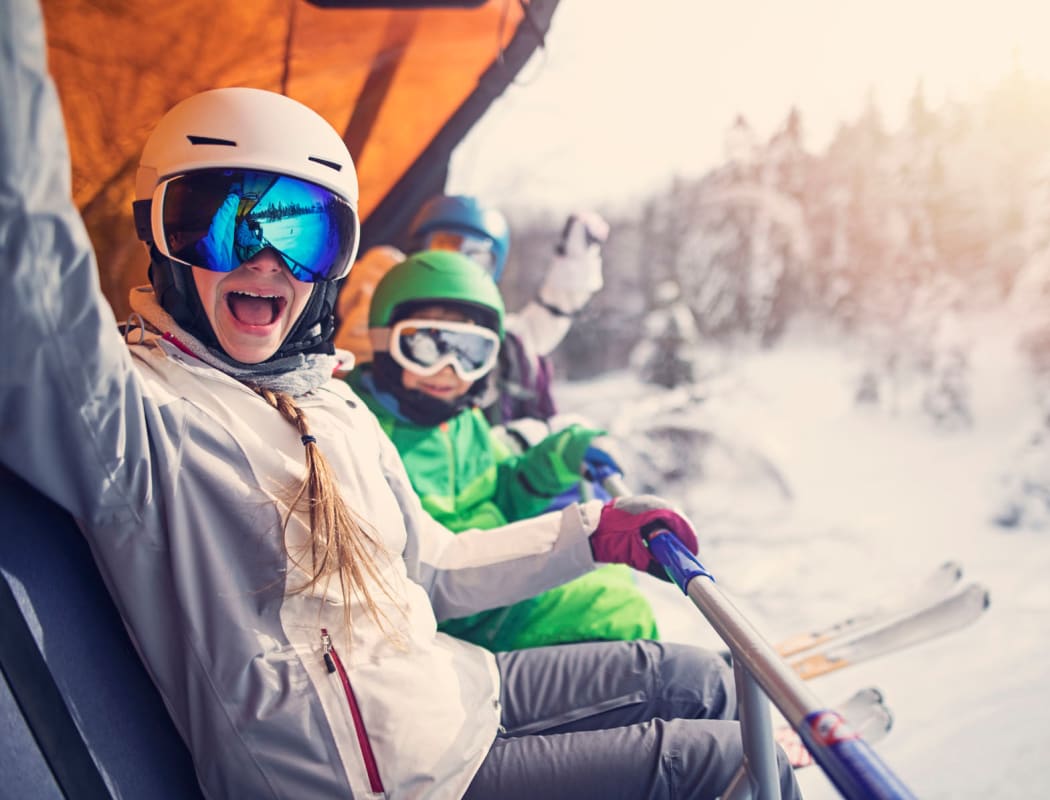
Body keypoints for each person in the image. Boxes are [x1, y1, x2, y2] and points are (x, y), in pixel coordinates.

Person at [0, 10, 801, 797]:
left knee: (700, 681)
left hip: (453, 693)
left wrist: (593, 533)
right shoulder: (135, 422)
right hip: (387, 781)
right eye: (225, 225)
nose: (269, 260)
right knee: (725, 765)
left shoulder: (333, 406)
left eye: (305, 234)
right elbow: (26, 263)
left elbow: (434, 567)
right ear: (160, 232)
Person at [345, 248, 659, 651]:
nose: (448, 370)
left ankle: (657, 681)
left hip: (495, 581)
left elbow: (503, 493)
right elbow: (426, 568)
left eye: (469, 353)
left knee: (614, 578)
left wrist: (562, 455)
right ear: (385, 339)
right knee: (615, 606)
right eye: (426, 345)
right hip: (457, 613)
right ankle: (649, 686)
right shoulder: (365, 430)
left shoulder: (462, 422)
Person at [333, 194, 609, 428]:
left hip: (466, 433)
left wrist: (574, 267)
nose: (458, 263)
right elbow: (362, 347)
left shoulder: (490, 328)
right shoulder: (389, 288)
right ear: (419, 247)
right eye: (445, 245)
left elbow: (534, 330)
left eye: (476, 256)